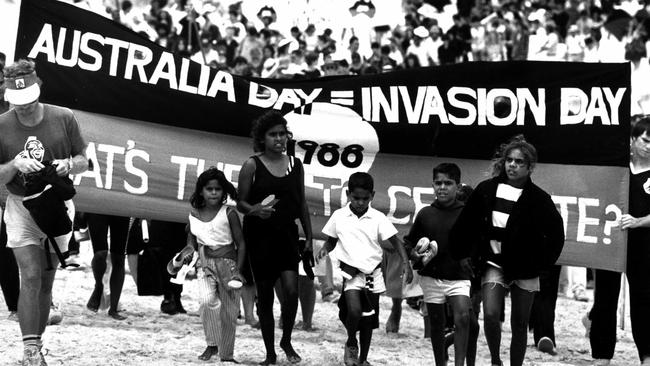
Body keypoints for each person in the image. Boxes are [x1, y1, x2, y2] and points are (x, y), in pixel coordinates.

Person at [0, 59, 88, 366]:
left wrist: (68, 165)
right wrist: (14, 165)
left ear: (39, 90)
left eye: (29, 101)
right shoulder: (2, 125)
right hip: (20, 206)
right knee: (32, 275)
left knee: (47, 280)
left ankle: (35, 345)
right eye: (18, 103)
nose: (24, 108)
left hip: (56, 206)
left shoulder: (63, 117)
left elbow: (83, 160)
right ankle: (30, 349)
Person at [450, 135, 565, 366]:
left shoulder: (540, 199)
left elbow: (556, 235)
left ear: (530, 167)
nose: (512, 165)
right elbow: (465, 224)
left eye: (519, 162)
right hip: (493, 263)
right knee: (491, 314)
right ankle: (495, 360)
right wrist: (463, 254)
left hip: (525, 267)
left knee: (520, 323)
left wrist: (542, 265)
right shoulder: (486, 190)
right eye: (509, 160)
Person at [237, 110, 313, 365]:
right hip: (259, 237)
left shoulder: (295, 164)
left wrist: (310, 238)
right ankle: (270, 353)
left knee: (292, 292)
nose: (279, 139)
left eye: (282, 134)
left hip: (287, 236)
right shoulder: (251, 165)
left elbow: (301, 203)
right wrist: (256, 210)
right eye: (273, 135)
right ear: (262, 138)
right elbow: (241, 203)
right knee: (266, 296)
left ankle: (286, 340)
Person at [317, 172, 414, 366]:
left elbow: (396, 242)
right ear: (348, 194)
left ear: (372, 195)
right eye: (356, 198)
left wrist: (405, 263)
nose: (360, 202)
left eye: (365, 198)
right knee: (354, 311)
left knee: (368, 319)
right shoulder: (339, 216)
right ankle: (351, 342)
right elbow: (331, 241)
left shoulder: (377, 218)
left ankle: (363, 359)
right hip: (351, 273)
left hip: (374, 274)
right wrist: (324, 250)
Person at [586, 116, 650, 365]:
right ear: (633, 140)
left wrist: (638, 221)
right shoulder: (617, 166)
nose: (648, 146)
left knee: (644, 298)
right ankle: (602, 354)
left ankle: (646, 354)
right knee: (605, 297)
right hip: (609, 240)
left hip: (643, 244)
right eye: (645, 140)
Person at [404, 163, 472, 366]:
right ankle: (439, 363)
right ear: (433, 185)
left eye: (448, 183)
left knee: (463, 317)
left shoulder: (467, 214)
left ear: (458, 186)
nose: (442, 187)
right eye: (438, 183)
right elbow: (408, 242)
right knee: (436, 324)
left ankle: (459, 363)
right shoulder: (425, 214)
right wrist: (414, 254)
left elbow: (477, 241)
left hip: (459, 277)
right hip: (431, 276)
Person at [178, 167, 245, 363]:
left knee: (229, 312)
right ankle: (212, 344)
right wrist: (190, 248)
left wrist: (239, 271)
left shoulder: (229, 213)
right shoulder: (194, 213)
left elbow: (241, 243)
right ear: (201, 191)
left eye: (217, 189)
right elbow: (190, 233)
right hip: (205, 264)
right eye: (209, 189)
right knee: (206, 302)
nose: (214, 193)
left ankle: (227, 355)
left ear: (224, 191)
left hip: (229, 265)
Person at [85, 213, 130, 320]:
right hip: (97, 205)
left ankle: (113, 309)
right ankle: (99, 286)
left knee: (119, 258)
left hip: (123, 207)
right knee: (100, 254)